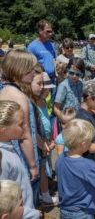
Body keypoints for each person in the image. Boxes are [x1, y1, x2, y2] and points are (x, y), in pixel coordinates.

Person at [0, 50, 40, 200]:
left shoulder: (4, 90)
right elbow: (25, 135)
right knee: (26, 197)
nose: (34, 72)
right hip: (21, 157)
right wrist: (32, 166)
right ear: (19, 69)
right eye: (31, 68)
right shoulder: (19, 97)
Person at [0, 100, 40, 218]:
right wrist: (33, 214)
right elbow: (4, 204)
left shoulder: (9, 146)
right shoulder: (2, 159)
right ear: (4, 130)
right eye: (20, 124)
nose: (25, 126)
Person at [30, 66, 57, 205]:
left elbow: (47, 125)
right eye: (44, 88)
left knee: (44, 169)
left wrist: (50, 140)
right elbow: (34, 130)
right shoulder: (33, 104)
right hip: (39, 144)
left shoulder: (43, 102)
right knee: (41, 170)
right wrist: (44, 145)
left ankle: (44, 194)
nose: (47, 91)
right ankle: (43, 195)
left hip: (45, 141)